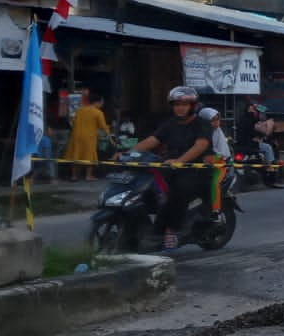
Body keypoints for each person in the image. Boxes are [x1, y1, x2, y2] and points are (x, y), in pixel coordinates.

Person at [130, 86, 211, 250]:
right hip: (172, 166)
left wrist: (181, 160)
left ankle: (171, 230)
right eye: (176, 104)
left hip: (196, 168)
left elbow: (200, 145)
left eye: (184, 104)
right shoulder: (170, 124)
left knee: (178, 190)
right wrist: (127, 153)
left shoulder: (201, 124)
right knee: (147, 187)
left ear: (192, 106)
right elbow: (152, 141)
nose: (180, 108)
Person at [236, 103, 284, 188]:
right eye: (252, 109)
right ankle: (271, 168)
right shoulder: (250, 119)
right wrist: (260, 136)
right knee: (268, 148)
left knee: (267, 147)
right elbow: (253, 131)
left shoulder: (247, 118)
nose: (254, 111)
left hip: (245, 143)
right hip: (250, 144)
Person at [65, 92, 110, 181]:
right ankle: (88, 176)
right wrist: (108, 132)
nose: (102, 104)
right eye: (102, 102)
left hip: (76, 136)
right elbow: (103, 126)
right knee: (89, 155)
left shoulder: (80, 110)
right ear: (98, 102)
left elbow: (73, 122)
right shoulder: (98, 113)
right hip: (89, 137)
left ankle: (74, 176)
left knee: (76, 154)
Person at [198, 107, 230, 216]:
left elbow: (220, 153)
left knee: (214, 184)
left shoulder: (217, 132)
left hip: (220, 163)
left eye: (217, 120)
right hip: (202, 164)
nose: (216, 123)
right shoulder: (200, 131)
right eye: (213, 120)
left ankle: (216, 210)